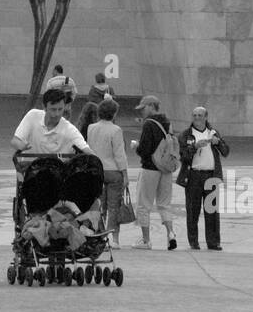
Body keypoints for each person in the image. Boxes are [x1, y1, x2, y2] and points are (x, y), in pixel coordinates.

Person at [179, 105, 229, 251]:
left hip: (211, 176)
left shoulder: (213, 133)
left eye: (200, 115)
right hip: (194, 175)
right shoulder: (186, 135)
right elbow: (183, 157)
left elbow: (226, 152)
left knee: (212, 211)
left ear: (206, 117)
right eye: (194, 115)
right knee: (193, 210)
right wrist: (194, 147)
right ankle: (193, 241)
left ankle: (213, 242)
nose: (197, 118)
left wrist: (218, 142)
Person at [133, 95, 176, 250]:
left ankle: (146, 240)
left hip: (150, 168)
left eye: (143, 108)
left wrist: (136, 147)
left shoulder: (149, 124)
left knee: (144, 205)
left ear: (151, 106)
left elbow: (145, 150)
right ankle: (171, 233)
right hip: (166, 168)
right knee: (164, 204)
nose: (142, 112)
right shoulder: (167, 123)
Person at [87, 98, 129, 249]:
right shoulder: (116, 130)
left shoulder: (91, 128)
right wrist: (125, 174)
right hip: (113, 171)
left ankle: (99, 234)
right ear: (114, 113)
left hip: (96, 170)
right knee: (114, 206)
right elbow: (119, 154)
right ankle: (114, 238)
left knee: (98, 205)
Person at [10, 87, 91, 155]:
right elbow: (15, 141)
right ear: (44, 107)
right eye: (53, 109)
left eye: (60, 109)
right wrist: (21, 146)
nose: (57, 114)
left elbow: (86, 150)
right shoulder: (32, 115)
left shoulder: (69, 129)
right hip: (30, 169)